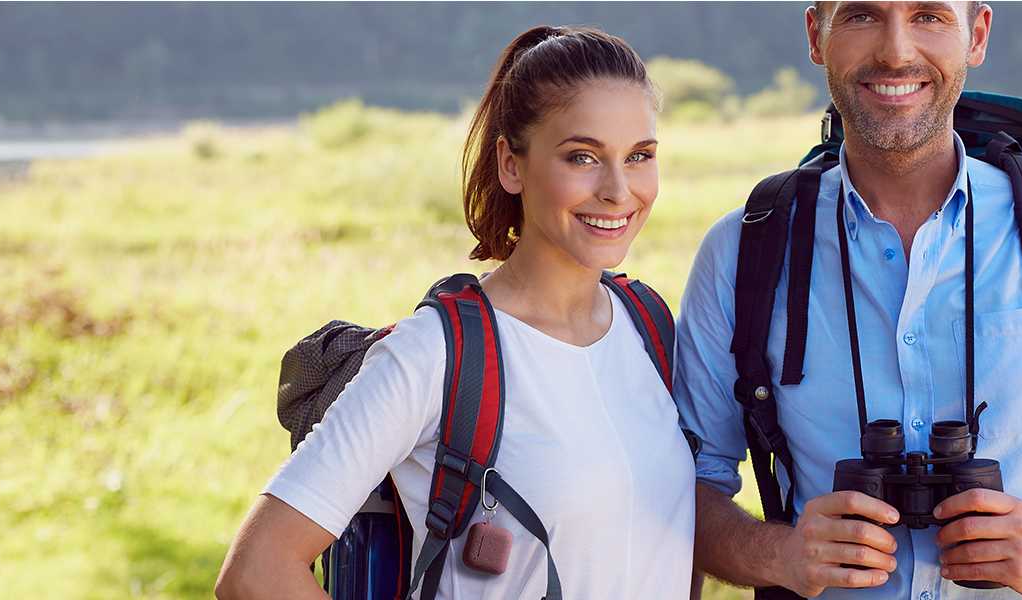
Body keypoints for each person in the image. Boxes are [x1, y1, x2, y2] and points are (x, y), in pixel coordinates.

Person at [675, 2, 1022, 599]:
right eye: (862, 15)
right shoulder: (744, 248)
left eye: (929, 16)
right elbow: (686, 485)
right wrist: (780, 555)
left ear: (976, 35)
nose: (896, 51)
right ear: (817, 36)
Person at [215, 25, 695, 600]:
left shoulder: (647, 324)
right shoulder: (431, 354)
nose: (618, 189)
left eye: (639, 156)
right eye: (582, 157)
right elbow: (257, 570)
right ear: (511, 165)